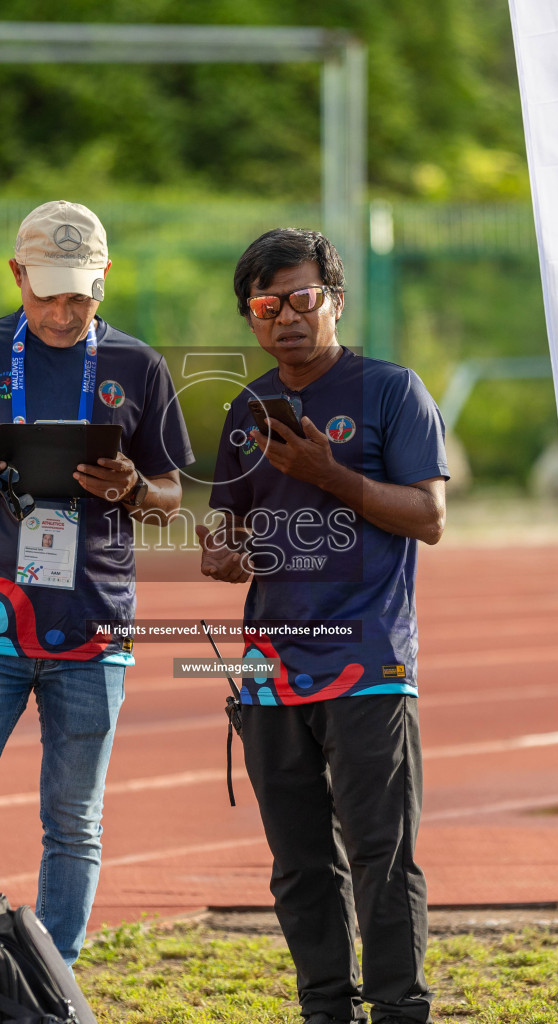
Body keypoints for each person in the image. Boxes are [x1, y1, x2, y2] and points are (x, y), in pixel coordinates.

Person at [0, 200, 193, 1021]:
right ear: (17, 276)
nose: (62, 313)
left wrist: (133, 486)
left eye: (80, 296)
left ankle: (48, 994)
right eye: (47, 293)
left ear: (104, 280)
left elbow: (171, 496)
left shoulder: (139, 365)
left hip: (94, 628)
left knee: (74, 825)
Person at [198, 228, 447, 1024]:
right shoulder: (247, 408)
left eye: (304, 299)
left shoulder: (390, 392)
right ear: (251, 317)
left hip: (368, 661)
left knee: (382, 855)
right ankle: (325, 1010)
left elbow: (429, 517)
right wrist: (222, 555)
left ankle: (400, 1009)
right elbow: (228, 528)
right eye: (267, 305)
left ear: (335, 302)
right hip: (271, 670)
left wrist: (327, 474)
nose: (287, 317)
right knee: (300, 865)